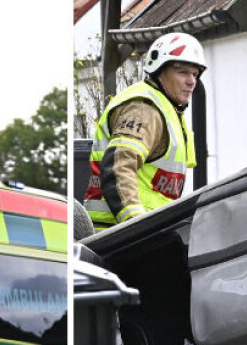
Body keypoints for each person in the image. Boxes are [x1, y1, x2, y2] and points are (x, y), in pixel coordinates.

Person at [83, 32, 204, 229]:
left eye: (195, 74)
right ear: (159, 72)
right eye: (182, 72)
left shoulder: (166, 108)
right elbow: (118, 167)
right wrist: (135, 225)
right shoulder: (143, 109)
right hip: (119, 240)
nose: (192, 81)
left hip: (147, 235)